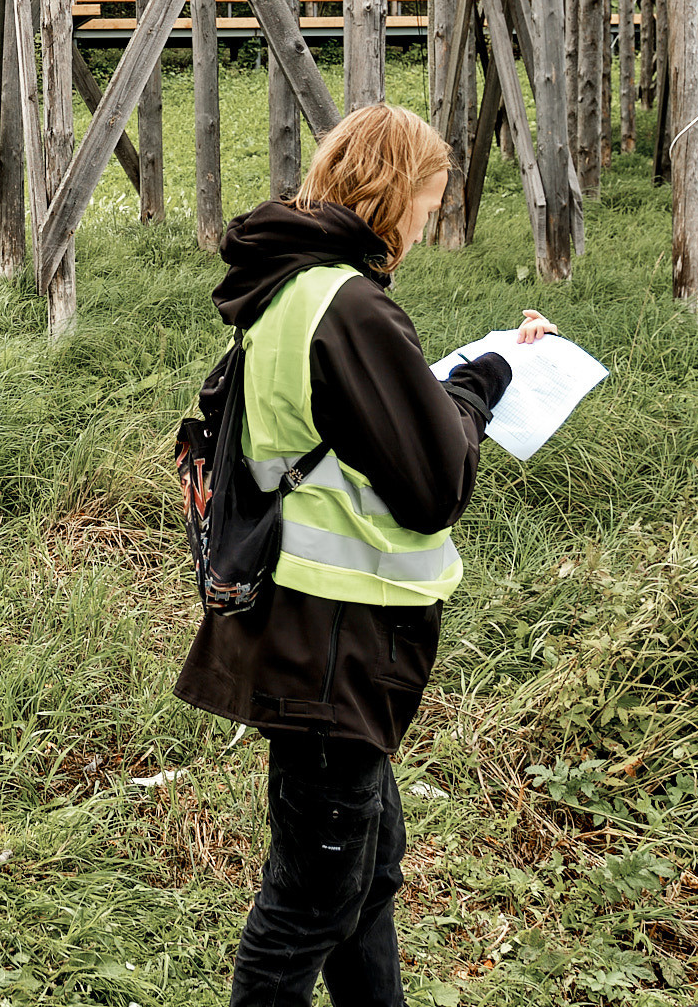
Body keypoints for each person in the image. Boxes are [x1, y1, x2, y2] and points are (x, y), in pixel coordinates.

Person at [172, 103, 549, 1007]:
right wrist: (479, 383)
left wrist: (450, 382)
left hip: (316, 632)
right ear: (391, 195)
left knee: (367, 881)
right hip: (332, 641)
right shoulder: (345, 301)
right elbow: (434, 484)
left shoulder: (295, 288)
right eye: (427, 202)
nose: (428, 223)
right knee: (309, 905)